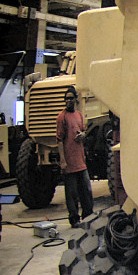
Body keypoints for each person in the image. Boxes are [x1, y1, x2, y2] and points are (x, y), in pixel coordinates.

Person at [56, 88, 93, 227]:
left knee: (86, 190)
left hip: (80, 161)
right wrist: (63, 161)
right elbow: (59, 140)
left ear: (75, 99)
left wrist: (83, 135)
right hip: (69, 162)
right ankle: (74, 218)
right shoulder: (62, 117)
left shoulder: (79, 115)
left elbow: (83, 131)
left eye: (71, 98)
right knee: (71, 193)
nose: (68, 101)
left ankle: (88, 216)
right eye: (66, 98)